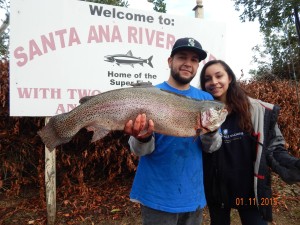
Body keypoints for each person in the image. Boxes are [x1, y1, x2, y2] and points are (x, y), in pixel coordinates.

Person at [123, 37, 222, 225]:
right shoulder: (148, 94)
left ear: (198, 65)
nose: (188, 63)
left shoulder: (206, 100)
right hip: (156, 196)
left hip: (193, 195)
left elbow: (212, 147)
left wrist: (210, 132)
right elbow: (138, 151)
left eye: (194, 59)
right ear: (170, 61)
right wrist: (142, 139)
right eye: (182, 57)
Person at [199, 59, 300, 225]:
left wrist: (294, 165)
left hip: (251, 191)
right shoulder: (202, 112)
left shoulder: (259, 111)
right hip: (216, 192)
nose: (213, 82)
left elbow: (274, 149)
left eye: (219, 76)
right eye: (208, 79)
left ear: (230, 78)